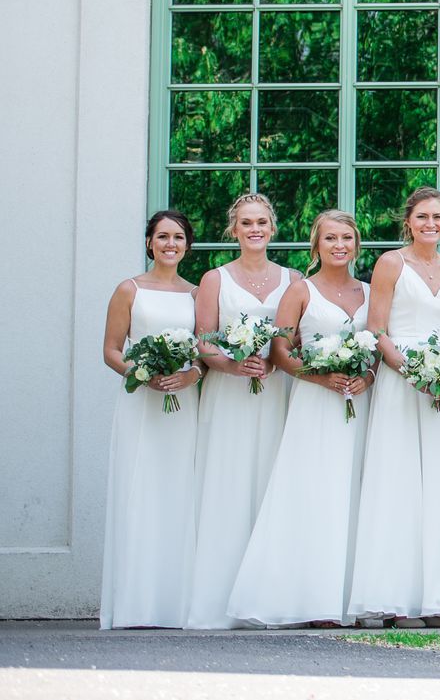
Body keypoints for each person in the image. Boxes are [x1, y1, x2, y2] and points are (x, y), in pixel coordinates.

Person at [225, 210, 374, 627]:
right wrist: (319, 376)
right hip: (314, 404)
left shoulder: (369, 291)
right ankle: (310, 599)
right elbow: (280, 350)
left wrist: (366, 374)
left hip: (357, 404)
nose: (339, 245)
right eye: (330, 238)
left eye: (346, 237)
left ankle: (350, 600)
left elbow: (377, 345)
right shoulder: (300, 289)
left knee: (355, 493)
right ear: (317, 244)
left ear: (356, 243)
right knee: (314, 493)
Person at [348, 186, 440, 626]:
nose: (430, 225)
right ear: (409, 221)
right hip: (402, 384)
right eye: (422, 217)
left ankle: (432, 599)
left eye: (437, 217)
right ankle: (392, 599)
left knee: (439, 488)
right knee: (398, 485)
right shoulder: (390, 264)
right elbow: (377, 330)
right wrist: (415, 373)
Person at [184, 193, 295, 628]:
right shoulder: (215, 278)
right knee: (227, 486)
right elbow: (203, 339)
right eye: (246, 223)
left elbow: (295, 338)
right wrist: (232, 364)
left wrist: (274, 359)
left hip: (275, 390)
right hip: (228, 394)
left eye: (262, 223)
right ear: (234, 230)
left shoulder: (292, 278)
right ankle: (218, 599)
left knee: (273, 484)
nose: (254, 230)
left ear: (273, 229)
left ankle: (269, 597)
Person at [99, 211, 204, 629]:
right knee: (139, 491)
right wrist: (141, 373)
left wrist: (190, 374)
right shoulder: (129, 290)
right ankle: (136, 605)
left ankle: (177, 605)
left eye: (178, 237)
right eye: (162, 236)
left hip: (184, 404)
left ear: (187, 245)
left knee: (181, 493)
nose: (170, 244)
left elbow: (204, 353)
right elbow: (110, 349)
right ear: (149, 242)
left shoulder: (198, 294)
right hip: (142, 404)